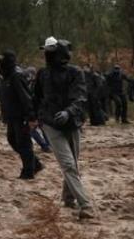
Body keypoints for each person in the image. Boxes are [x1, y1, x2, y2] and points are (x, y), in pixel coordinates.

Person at [31, 37, 94, 219]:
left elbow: (80, 97)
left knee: (72, 163)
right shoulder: (42, 74)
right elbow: (36, 98)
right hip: (51, 124)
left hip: (72, 123)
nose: (47, 55)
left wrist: (69, 112)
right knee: (68, 164)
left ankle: (68, 198)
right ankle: (85, 205)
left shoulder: (75, 72)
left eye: (50, 52)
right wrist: (32, 117)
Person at [0, 51, 43, 179]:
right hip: (11, 117)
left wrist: (31, 117)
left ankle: (28, 171)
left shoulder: (17, 76)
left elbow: (26, 97)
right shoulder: (5, 77)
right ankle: (36, 163)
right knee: (12, 140)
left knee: (24, 143)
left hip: (21, 116)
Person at [23, 66, 52, 153]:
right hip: (37, 110)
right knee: (42, 128)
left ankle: (45, 145)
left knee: (33, 129)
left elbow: (38, 98)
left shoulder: (38, 85)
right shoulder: (30, 84)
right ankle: (48, 145)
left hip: (39, 110)